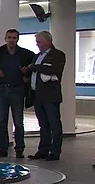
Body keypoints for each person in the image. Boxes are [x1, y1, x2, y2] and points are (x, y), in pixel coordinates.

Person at [0, 29, 35, 158]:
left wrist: (26, 75)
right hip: (1, 90)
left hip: (17, 90)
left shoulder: (26, 54)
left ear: (17, 39)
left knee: (18, 122)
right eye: (9, 37)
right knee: (2, 121)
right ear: (5, 39)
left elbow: (33, 67)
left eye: (14, 38)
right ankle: (2, 148)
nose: (11, 40)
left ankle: (19, 148)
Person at [26, 30, 67, 161]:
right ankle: (43, 150)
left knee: (54, 124)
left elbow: (54, 70)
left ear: (48, 41)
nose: (37, 44)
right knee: (43, 124)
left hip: (50, 96)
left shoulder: (58, 55)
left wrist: (35, 67)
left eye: (39, 41)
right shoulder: (37, 56)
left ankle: (55, 152)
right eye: (36, 42)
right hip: (37, 96)